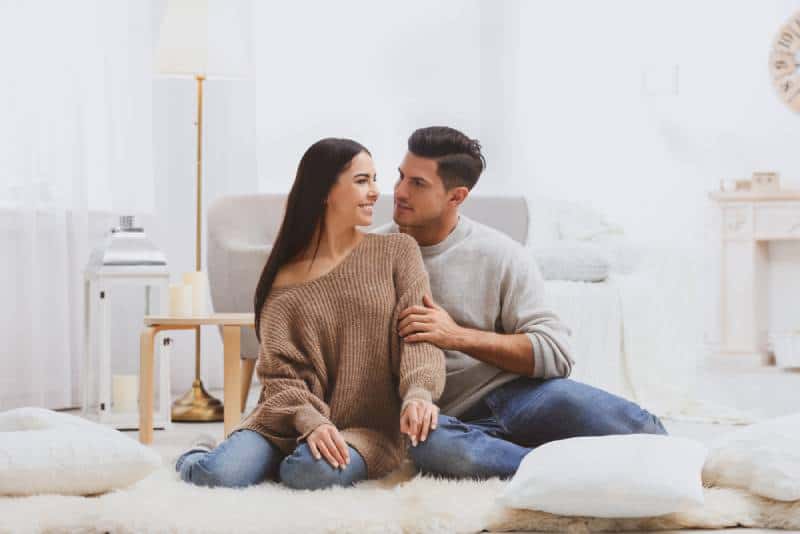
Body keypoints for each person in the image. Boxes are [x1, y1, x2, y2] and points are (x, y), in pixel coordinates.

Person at [374, 126, 667, 479]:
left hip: (518, 395)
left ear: (457, 197)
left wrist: (456, 336)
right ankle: (565, 471)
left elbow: (555, 353)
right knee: (432, 448)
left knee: (647, 435)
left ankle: (544, 464)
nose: (399, 192)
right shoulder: (371, 254)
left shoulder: (501, 254)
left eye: (417, 184)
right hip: (442, 416)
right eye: (401, 176)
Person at [175, 138, 445, 490]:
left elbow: (420, 338)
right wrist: (311, 423)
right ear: (325, 190)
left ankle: (283, 462)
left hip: (366, 430)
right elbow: (279, 376)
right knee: (218, 474)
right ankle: (201, 451)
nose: (377, 191)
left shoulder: (397, 252)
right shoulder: (282, 279)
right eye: (362, 180)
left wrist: (419, 394)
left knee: (308, 472)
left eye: (375, 179)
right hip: (287, 421)